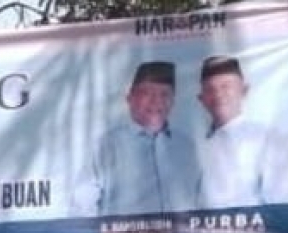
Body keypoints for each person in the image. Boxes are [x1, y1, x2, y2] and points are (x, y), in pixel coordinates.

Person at [72, 61, 200, 217]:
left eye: (164, 94)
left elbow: (203, 202)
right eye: (147, 93)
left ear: (173, 101)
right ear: (129, 98)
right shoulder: (108, 146)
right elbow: (81, 208)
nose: (156, 101)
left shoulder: (187, 147)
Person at [194, 55, 288, 209]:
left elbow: (279, 200)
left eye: (226, 86)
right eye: (210, 89)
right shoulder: (193, 143)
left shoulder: (266, 139)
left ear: (244, 90)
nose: (218, 94)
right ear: (201, 98)